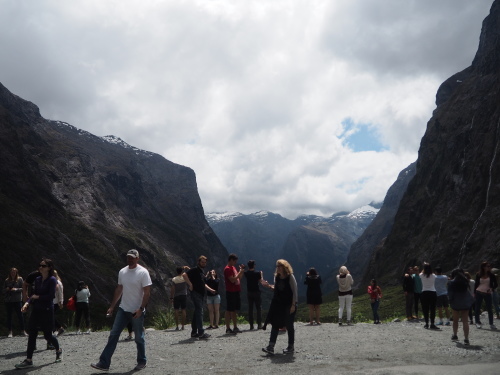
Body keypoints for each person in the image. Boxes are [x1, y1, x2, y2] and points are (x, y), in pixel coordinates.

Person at [91, 249, 152, 371]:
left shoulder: (143, 272)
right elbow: (119, 289)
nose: (130, 259)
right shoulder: (122, 272)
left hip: (136, 311)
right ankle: (104, 363)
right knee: (113, 335)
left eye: (132, 257)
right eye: (128, 257)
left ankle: (142, 361)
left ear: (137, 258)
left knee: (139, 337)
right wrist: (112, 306)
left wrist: (141, 309)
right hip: (123, 309)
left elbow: (147, 293)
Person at [15, 259, 62, 369]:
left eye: (43, 266)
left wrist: (38, 297)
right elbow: (33, 294)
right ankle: (28, 360)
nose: (40, 267)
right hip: (36, 309)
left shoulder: (52, 280)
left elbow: (51, 296)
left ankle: (58, 350)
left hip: (47, 310)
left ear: (49, 267)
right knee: (32, 334)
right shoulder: (37, 279)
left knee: (48, 335)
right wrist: (27, 303)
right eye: (40, 265)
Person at [261, 259, 298, 355]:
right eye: (277, 266)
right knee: (275, 324)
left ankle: (291, 346)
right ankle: (271, 346)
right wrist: (268, 286)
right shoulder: (277, 277)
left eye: (279, 266)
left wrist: (293, 305)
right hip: (279, 304)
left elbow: (294, 291)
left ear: (284, 267)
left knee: (289, 325)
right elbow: (277, 289)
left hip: (289, 304)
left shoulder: (290, 277)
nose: (277, 268)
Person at [183, 255, 215, 340]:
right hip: (196, 293)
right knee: (200, 311)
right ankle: (201, 332)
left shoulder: (201, 272)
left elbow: (203, 284)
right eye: (202, 262)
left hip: (201, 294)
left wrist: (211, 290)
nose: (204, 263)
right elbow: (184, 275)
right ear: (198, 262)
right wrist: (190, 284)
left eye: (205, 262)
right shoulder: (194, 270)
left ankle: (194, 332)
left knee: (196, 312)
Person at [448, 268, 474, 345]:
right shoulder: (465, 281)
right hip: (465, 302)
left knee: (455, 320)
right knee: (465, 321)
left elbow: (450, 294)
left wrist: (450, 301)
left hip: (455, 303)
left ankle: (455, 335)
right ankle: (466, 339)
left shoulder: (451, 282)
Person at [223, 253, 245, 334]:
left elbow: (239, 277)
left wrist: (241, 271)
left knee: (234, 310)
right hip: (230, 291)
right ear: (231, 260)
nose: (235, 263)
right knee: (229, 310)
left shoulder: (233, 268)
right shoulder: (228, 269)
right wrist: (240, 272)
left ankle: (235, 327)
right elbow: (232, 280)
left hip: (236, 291)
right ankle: (228, 328)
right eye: (235, 261)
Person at [474, 261, 498, 330]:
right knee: (477, 308)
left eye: (489, 266)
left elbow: (495, 284)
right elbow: (476, 284)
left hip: (487, 293)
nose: (489, 267)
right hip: (479, 292)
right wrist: (474, 293)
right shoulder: (478, 274)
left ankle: (491, 324)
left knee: (489, 308)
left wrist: (491, 289)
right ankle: (477, 322)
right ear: (483, 267)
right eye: (488, 266)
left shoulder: (491, 275)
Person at [4, 267, 26, 337]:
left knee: (20, 315)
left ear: (16, 273)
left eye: (14, 272)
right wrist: (7, 289)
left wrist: (16, 289)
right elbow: (3, 290)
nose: (13, 273)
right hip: (9, 300)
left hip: (17, 300)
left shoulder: (20, 279)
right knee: (9, 316)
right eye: (12, 272)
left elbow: (23, 288)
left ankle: (23, 330)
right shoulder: (7, 280)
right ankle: (10, 331)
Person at [420, 262, 439, 330]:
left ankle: (426, 323)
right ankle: (432, 324)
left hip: (424, 292)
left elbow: (421, 273)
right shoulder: (434, 275)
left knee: (425, 309)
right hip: (432, 292)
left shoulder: (421, 275)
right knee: (432, 309)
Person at [244, 260, 263, 330]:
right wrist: (261, 274)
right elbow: (261, 281)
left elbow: (244, 272)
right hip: (257, 292)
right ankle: (259, 324)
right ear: (254, 265)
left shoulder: (246, 273)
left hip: (249, 292)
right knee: (258, 308)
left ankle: (251, 325)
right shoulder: (257, 273)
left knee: (250, 309)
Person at [52, 270, 65, 337]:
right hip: (52, 301)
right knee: (51, 316)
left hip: (55, 302)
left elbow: (60, 293)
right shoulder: (52, 282)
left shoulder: (58, 282)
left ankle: (58, 328)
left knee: (51, 316)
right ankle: (56, 328)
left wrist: (61, 302)